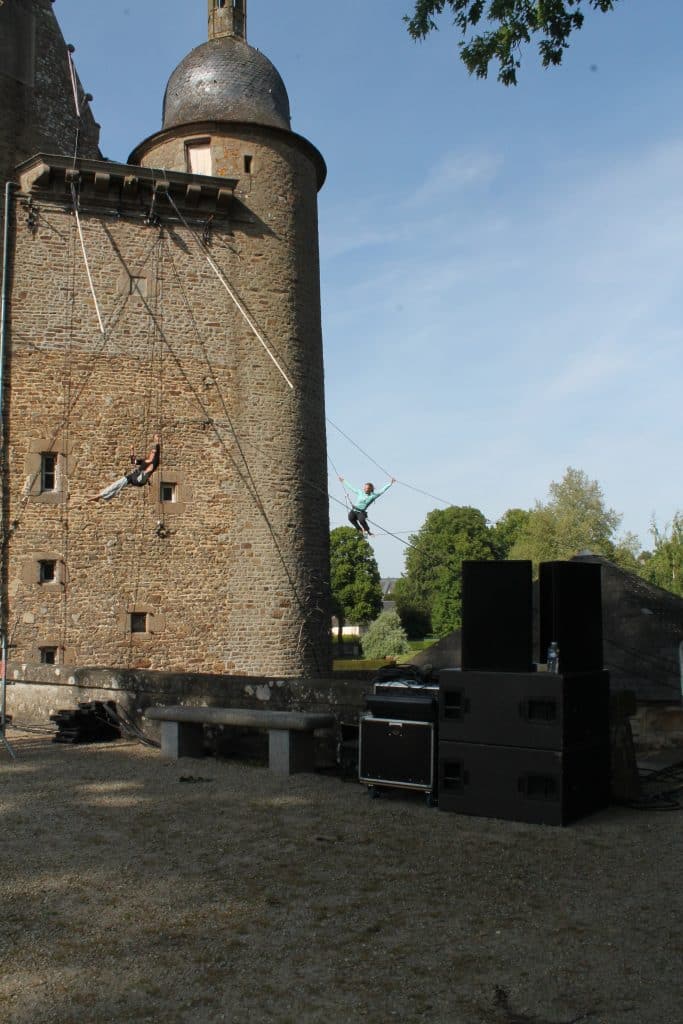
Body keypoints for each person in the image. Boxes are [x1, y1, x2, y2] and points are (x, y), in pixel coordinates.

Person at [90, 434, 161, 502]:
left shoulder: (154, 462)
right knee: (117, 484)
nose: (152, 453)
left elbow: (158, 453)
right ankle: (100, 496)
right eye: (152, 452)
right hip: (134, 476)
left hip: (141, 479)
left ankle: (145, 473)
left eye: (154, 453)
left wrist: (157, 441)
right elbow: (133, 461)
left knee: (149, 470)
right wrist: (132, 451)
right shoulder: (144, 461)